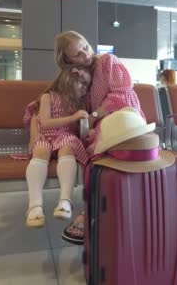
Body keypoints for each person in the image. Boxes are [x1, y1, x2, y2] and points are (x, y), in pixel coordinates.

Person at [54, 30, 145, 245]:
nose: (85, 54)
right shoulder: (78, 77)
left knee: (98, 150)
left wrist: (95, 116)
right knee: (96, 152)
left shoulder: (107, 61)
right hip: (104, 125)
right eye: (77, 54)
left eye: (84, 47)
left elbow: (123, 93)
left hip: (126, 119)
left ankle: (91, 213)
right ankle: (100, 211)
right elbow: (77, 109)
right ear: (66, 59)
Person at [23, 68, 91, 229]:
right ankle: (35, 205)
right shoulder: (48, 97)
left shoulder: (80, 103)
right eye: (81, 83)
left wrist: (85, 124)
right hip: (45, 135)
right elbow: (45, 122)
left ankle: (65, 201)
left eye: (86, 85)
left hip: (65, 136)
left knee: (67, 148)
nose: (84, 88)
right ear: (68, 80)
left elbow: (80, 129)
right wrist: (73, 117)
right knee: (40, 151)